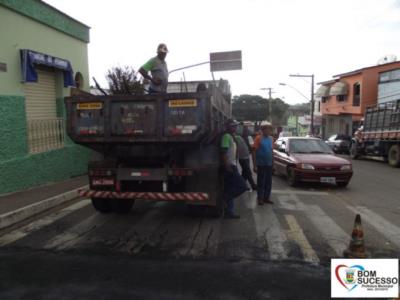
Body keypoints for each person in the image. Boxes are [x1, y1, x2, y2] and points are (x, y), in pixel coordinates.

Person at [220, 119, 248, 219]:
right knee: (242, 186)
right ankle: (224, 199)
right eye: (233, 126)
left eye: (235, 126)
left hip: (233, 165)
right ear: (228, 127)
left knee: (229, 188)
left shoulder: (232, 137)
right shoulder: (226, 136)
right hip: (229, 167)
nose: (235, 127)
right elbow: (223, 152)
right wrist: (227, 165)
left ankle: (229, 212)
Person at [252, 121, 274, 206]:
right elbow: (253, 151)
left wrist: (273, 163)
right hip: (260, 164)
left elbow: (271, 151)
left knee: (268, 182)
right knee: (261, 182)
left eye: (269, 129)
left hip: (269, 164)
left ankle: (266, 198)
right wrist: (254, 165)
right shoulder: (258, 138)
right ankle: (260, 198)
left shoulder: (271, 139)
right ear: (263, 130)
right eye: (266, 129)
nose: (268, 131)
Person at [235, 126, 257, 190]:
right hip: (242, 158)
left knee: (245, 173)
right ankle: (253, 185)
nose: (246, 132)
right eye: (245, 131)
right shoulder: (238, 137)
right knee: (248, 172)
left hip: (247, 157)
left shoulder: (248, 138)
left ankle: (241, 186)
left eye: (247, 131)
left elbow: (251, 146)